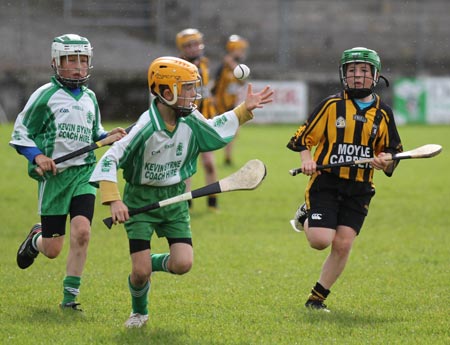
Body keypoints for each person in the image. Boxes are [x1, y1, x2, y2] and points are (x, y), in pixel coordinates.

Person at [89, 56, 273, 328]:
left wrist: (243, 110)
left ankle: (146, 261)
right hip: (140, 199)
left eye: (193, 87)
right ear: (166, 93)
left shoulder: (190, 118)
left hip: (175, 199)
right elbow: (108, 159)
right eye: (187, 89)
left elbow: (214, 130)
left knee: (182, 264)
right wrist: (114, 200)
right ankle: (139, 312)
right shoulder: (145, 127)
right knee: (140, 274)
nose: (193, 95)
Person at [9, 33, 127, 311]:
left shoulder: (90, 97)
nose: (77, 66)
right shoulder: (45, 95)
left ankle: (69, 299)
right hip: (55, 178)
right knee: (52, 250)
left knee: (83, 232)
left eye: (83, 60)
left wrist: (106, 135)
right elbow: (21, 132)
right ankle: (36, 238)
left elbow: (93, 132)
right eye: (70, 60)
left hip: (84, 172)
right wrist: (37, 155)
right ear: (55, 62)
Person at [287, 47, 403, 312]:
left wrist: (385, 159)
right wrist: (307, 158)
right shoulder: (331, 105)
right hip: (327, 182)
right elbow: (302, 138)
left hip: (360, 188)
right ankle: (307, 214)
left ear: (375, 75)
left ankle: (316, 299)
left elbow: (394, 152)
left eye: (364, 71)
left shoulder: (384, 114)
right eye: (352, 71)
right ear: (344, 75)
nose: (357, 77)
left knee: (343, 244)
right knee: (319, 241)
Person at [175, 28, 219, 210]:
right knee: (186, 166)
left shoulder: (204, 64)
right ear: (182, 48)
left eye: (195, 44)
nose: (193, 48)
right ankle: (187, 203)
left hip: (205, 121)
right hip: (186, 122)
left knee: (208, 163)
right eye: (188, 46)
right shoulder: (178, 68)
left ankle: (212, 202)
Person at [212, 34, 249, 166]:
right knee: (226, 130)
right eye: (240, 49)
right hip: (221, 103)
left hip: (231, 103)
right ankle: (220, 156)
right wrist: (214, 99)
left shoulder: (235, 67)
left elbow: (242, 81)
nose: (242, 52)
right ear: (233, 49)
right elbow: (215, 85)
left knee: (234, 131)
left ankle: (227, 157)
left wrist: (233, 65)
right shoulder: (223, 67)